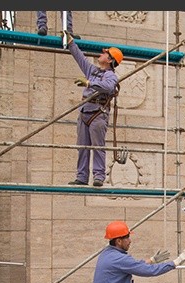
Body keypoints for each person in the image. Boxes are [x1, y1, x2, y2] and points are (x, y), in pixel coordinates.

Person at [64, 31, 124, 187]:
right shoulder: (93, 71)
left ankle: (99, 176)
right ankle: (82, 177)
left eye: (105, 54)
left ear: (110, 60)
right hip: (85, 112)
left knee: (98, 146)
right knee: (82, 147)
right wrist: (71, 43)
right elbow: (80, 58)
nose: (101, 54)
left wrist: (89, 84)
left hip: (98, 114)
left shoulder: (111, 76)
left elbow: (109, 87)